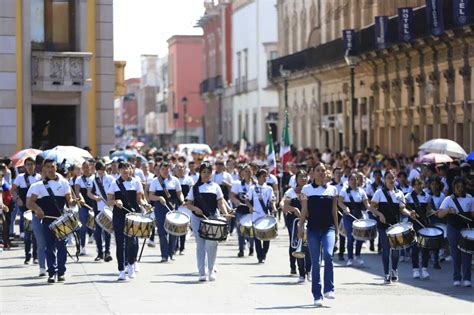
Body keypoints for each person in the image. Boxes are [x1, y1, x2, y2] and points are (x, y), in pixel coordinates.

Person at [26, 159, 75, 283]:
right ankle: (51, 273)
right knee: (49, 248)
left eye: (52, 166)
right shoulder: (38, 186)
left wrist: (75, 201)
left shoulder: (64, 183)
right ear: (44, 169)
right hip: (47, 221)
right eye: (47, 167)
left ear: (56, 168)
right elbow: (29, 202)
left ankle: (61, 272)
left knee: (62, 247)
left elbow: (69, 201)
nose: (50, 169)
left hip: (61, 221)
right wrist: (38, 209)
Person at [298, 163, 339, 307]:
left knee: (328, 255)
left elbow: (334, 211)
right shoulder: (306, 189)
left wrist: (338, 231)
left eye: (323, 170)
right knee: (316, 262)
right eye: (318, 170)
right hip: (313, 229)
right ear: (313, 173)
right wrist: (300, 227)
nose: (321, 172)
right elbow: (304, 210)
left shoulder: (333, 189)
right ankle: (317, 295)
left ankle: (329, 289)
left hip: (329, 229)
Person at [369, 170, 417, 284]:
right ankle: (386, 274)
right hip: (383, 226)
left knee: (396, 251)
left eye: (392, 178)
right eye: (388, 178)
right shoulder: (379, 192)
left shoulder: (399, 193)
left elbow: (402, 209)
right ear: (384, 180)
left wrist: (410, 213)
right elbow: (372, 207)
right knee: (386, 250)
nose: (391, 180)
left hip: (396, 225)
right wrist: (380, 214)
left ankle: (394, 270)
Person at [185, 162, 230, 281]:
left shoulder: (215, 186)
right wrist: (195, 209)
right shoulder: (194, 188)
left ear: (211, 173)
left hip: (213, 218)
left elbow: (220, 202)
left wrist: (225, 213)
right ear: (200, 173)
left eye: (209, 172)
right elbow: (188, 204)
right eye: (204, 172)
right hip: (197, 218)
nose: (206, 174)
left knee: (212, 244)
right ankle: (202, 272)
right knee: (200, 245)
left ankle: (210, 270)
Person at [107, 162, 147, 281]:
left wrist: (145, 204)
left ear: (131, 169)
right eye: (123, 168)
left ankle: (131, 264)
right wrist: (115, 202)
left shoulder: (136, 182)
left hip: (133, 215)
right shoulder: (115, 183)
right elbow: (109, 201)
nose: (125, 170)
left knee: (132, 242)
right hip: (119, 215)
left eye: (127, 167)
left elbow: (140, 199)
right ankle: (121, 270)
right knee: (120, 243)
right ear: (119, 170)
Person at [437, 177, 473, 287]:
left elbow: (472, 215)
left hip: (466, 229)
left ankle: (467, 278)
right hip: (452, 228)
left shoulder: (470, 198)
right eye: (458, 187)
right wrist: (448, 210)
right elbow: (439, 214)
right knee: (455, 254)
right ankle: (457, 277)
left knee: (467, 253)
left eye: (462, 186)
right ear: (454, 187)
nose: (460, 189)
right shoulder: (448, 199)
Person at [148, 162, 183, 263]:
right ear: (160, 170)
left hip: (173, 207)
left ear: (170, 170)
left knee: (173, 231)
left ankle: (171, 253)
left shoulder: (175, 180)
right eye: (163, 169)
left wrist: (182, 200)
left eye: (167, 169)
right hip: (160, 207)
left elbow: (179, 193)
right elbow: (151, 196)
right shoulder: (155, 181)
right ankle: (164, 255)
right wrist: (159, 198)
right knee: (162, 232)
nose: (165, 171)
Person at [282, 170, 312, 282]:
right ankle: (300, 272)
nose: (303, 178)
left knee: (308, 246)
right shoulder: (291, 192)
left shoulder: (311, 190)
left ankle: (308, 270)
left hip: (309, 222)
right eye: (300, 176)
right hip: (295, 223)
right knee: (297, 244)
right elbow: (285, 207)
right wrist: (294, 209)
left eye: (305, 176)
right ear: (296, 179)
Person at [12, 157, 42, 265]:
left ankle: (35, 256)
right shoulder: (20, 177)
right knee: (27, 233)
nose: (29, 166)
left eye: (31, 164)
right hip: (24, 208)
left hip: (35, 207)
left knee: (36, 232)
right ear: (24, 166)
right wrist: (17, 198)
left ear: (35, 165)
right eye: (27, 164)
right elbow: (13, 189)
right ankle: (27, 256)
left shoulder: (39, 177)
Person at [338, 172, 371, 267]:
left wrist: (373, 209)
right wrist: (345, 207)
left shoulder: (361, 191)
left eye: (355, 179)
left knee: (360, 237)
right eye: (351, 179)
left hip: (359, 217)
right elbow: (339, 202)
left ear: (358, 181)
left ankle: (357, 255)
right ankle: (350, 258)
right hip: (348, 217)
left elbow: (366, 204)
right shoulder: (344, 191)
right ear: (348, 181)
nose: (353, 181)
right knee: (350, 237)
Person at [247, 169, 277, 263]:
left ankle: (264, 253)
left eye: (266, 176)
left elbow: (272, 200)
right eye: (263, 176)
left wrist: (274, 208)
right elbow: (247, 200)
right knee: (257, 238)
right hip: (255, 216)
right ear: (259, 177)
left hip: (266, 215)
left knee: (267, 237)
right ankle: (260, 256)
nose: (265, 178)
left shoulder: (269, 188)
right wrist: (250, 207)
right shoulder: (252, 188)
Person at [405, 177, 432, 279]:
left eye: (420, 184)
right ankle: (415, 269)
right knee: (415, 248)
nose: (418, 186)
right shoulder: (408, 197)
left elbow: (429, 210)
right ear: (413, 186)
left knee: (425, 247)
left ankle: (425, 269)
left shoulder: (427, 197)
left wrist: (435, 212)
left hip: (424, 224)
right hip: (413, 224)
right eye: (416, 184)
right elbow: (404, 209)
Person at [87, 161, 114, 262]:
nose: (102, 172)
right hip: (97, 207)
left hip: (108, 207)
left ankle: (107, 252)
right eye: (100, 170)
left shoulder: (111, 179)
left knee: (107, 230)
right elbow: (89, 193)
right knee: (97, 231)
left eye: (103, 170)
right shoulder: (92, 179)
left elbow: (114, 191)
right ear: (97, 170)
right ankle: (99, 252)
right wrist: (95, 197)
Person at [230, 164, 255, 257]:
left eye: (250, 171)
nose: (248, 173)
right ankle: (241, 250)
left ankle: (251, 247)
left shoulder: (255, 184)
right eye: (246, 171)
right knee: (241, 230)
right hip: (241, 210)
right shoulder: (238, 184)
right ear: (242, 173)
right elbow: (232, 195)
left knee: (252, 230)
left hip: (252, 211)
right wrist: (236, 202)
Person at [73, 161, 94, 255]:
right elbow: (77, 190)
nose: (86, 169)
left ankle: (100, 249)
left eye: (87, 167)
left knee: (96, 225)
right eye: (84, 167)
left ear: (90, 167)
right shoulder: (79, 179)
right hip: (83, 205)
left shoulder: (94, 178)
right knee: (83, 226)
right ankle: (82, 247)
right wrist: (80, 198)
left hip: (94, 204)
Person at [174, 162, 194, 255]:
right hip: (175, 206)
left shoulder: (189, 179)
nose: (180, 169)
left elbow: (192, 192)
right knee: (175, 226)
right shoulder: (172, 179)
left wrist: (187, 201)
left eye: (182, 167)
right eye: (178, 167)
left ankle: (182, 246)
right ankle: (175, 246)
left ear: (185, 168)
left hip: (185, 206)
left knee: (183, 226)